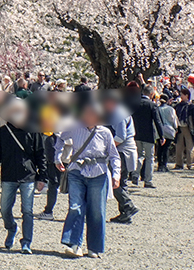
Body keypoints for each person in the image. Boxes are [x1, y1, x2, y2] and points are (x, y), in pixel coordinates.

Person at [56, 100, 121, 259]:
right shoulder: (75, 127)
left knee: (97, 211)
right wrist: (57, 157)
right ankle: (74, 244)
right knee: (75, 206)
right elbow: (59, 138)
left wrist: (116, 174)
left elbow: (114, 156)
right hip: (77, 171)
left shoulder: (105, 133)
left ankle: (94, 247)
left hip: (98, 173)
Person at [0, 98, 46, 254]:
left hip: (28, 176)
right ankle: (11, 228)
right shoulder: (3, 133)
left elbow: (41, 155)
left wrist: (42, 177)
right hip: (8, 176)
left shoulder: (33, 131)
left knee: (27, 211)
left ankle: (26, 242)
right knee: (5, 209)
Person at [104, 92, 137, 225]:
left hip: (123, 151)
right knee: (122, 182)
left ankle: (128, 206)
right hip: (125, 151)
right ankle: (124, 214)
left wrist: (108, 148)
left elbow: (120, 137)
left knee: (115, 180)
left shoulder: (118, 115)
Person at [125, 82, 161, 188]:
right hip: (149, 135)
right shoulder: (152, 105)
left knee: (139, 155)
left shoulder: (134, 104)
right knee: (149, 157)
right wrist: (161, 135)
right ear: (151, 94)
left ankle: (135, 175)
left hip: (136, 133)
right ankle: (148, 180)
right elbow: (157, 121)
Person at [173, 88, 194, 170]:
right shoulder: (177, 106)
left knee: (190, 146)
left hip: (189, 128)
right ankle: (179, 163)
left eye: (182, 94)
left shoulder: (192, 107)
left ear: (186, 96)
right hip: (179, 128)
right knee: (179, 146)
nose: (181, 96)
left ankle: (191, 163)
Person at [156, 95, 178, 173]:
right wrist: (176, 128)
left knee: (159, 147)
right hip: (169, 130)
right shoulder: (171, 109)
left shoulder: (157, 109)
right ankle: (164, 165)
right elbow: (174, 120)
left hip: (159, 130)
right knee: (166, 148)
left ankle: (159, 164)